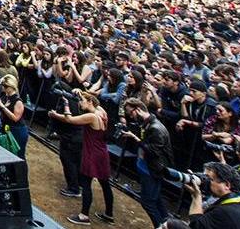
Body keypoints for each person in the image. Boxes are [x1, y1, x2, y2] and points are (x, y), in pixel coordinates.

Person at [52, 90, 114, 225]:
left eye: (82, 101)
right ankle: (109, 214)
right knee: (105, 184)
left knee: (86, 184)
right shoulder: (101, 111)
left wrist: (67, 104)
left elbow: (69, 119)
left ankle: (84, 215)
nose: (80, 103)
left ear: (90, 102)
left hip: (92, 154)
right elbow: (92, 102)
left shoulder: (91, 117)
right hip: (102, 152)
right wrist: (82, 94)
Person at [120, 98, 175, 227]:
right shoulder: (146, 123)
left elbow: (154, 151)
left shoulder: (156, 128)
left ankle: (160, 226)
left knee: (148, 202)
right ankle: (167, 222)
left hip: (153, 169)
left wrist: (135, 138)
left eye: (130, 113)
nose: (130, 116)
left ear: (138, 109)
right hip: (147, 167)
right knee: (156, 199)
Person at [182, 162, 240, 229]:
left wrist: (196, 196)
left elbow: (195, 225)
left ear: (227, 185)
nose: (205, 183)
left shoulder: (226, 211)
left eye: (209, 179)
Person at [0, 74, 29, 159]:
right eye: (2, 86)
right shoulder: (7, 97)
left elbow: (15, 118)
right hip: (8, 129)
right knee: (7, 154)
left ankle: (21, 172)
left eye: (4, 86)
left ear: (11, 86)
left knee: (19, 155)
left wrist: (2, 106)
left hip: (18, 131)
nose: (3, 88)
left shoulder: (18, 101)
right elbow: (5, 112)